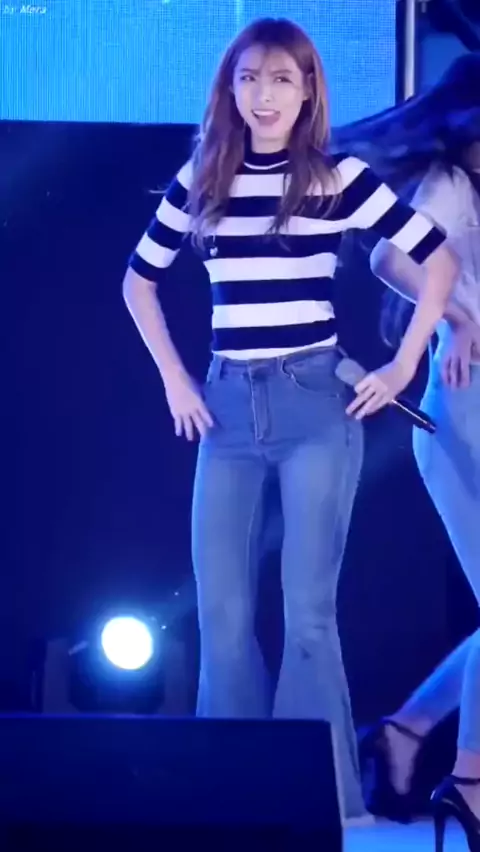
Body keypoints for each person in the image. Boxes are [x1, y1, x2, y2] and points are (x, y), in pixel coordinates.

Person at [122, 17, 454, 821]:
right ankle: (232, 797)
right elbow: (138, 280)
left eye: (280, 79)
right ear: (229, 90)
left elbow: (438, 258)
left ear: (307, 90)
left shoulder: (338, 176)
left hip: (316, 405)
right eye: (248, 79)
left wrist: (404, 363)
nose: (262, 95)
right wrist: (175, 380)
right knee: (223, 615)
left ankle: (320, 802)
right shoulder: (205, 174)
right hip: (225, 409)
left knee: (307, 612)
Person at [335, 53, 480, 845]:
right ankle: (468, 780)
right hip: (466, 399)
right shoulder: (454, 184)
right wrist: (458, 315)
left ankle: (408, 733)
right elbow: (392, 257)